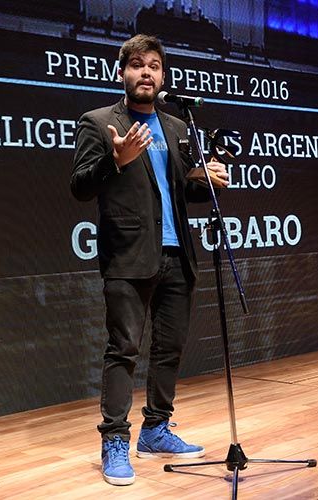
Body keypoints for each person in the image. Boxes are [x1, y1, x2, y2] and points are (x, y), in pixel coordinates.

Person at [70, 34, 229, 486]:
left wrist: (210, 178)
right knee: (123, 349)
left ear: (163, 75)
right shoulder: (98, 122)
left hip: (177, 253)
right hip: (128, 255)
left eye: (155, 66)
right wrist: (115, 160)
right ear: (122, 73)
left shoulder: (178, 128)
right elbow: (81, 186)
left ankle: (156, 428)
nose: (146, 73)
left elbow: (182, 190)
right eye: (137, 65)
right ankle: (114, 441)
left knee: (170, 347)